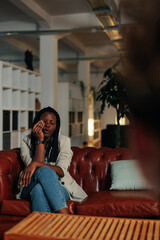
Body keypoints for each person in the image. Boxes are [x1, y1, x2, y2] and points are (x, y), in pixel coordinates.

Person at [17, 106, 87, 214]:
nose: (47, 125)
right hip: (29, 185)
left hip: (59, 186)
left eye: (52, 123)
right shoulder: (26, 141)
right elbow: (35, 171)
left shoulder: (64, 142)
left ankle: (44, 230)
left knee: (39, 189)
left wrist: (35, 163)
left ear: (56, 126)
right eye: (44, 122)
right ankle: (65, 217)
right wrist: (40, 141)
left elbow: (61, 171)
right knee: (43, 171)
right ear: (37, 123)